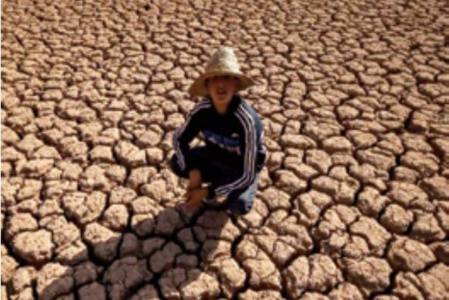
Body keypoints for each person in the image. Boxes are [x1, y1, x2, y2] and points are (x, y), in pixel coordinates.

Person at [170, 46, 266, 217]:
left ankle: (226, 185)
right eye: (214, 79)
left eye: (227, 78)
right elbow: (179, 140)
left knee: (239, 205)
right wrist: (194, 171)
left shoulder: (246, 121)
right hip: (214, 157)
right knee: (177, 162)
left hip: (241, 167)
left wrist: (207, 192)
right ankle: (217, 180)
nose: (221, 84)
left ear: (236, 84)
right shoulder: (202, 110)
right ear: (207, 86)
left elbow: (247, 173)